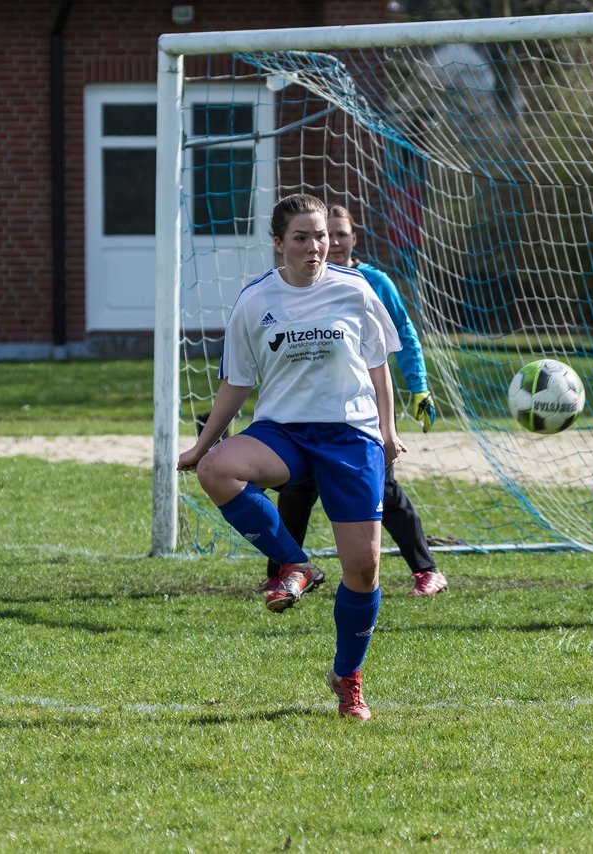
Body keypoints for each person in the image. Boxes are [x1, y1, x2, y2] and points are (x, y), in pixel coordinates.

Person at [178, 193, 404, 720]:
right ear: (278, 244)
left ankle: (348, 677)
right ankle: (296, 564)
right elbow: (237, 382)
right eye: (301, 238)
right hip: (284, 431)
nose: (314, 247)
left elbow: (377, 367)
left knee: (365, 569)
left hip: (350, 434)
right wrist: (202, 445)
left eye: (321, 236)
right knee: (218, 470)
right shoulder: (255, 301)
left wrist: (388, 432)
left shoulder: (356, 290)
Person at [260, 205, 447, 597]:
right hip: (307, 415)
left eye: (339, 233)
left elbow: (405, 334)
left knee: (384, 490)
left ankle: (426, 570)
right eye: (321, 234)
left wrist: (419, 386)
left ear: (351, 238)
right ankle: (282, 573)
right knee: (295, 492)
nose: (331, 241)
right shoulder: (296, 284)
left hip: (359, 415)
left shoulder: (373, 281)